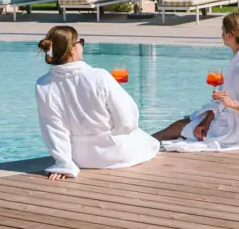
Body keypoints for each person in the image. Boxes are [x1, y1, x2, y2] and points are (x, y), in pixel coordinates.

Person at [35, 26, 159, 180]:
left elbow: (53, 128)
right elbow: (127, 121)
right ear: (72, 49)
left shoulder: (44, 84)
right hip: (116, 153)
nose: (82, 45)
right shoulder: (99, 76)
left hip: (80, 158)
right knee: (148, 142)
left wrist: (64, 163)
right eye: (81, 42)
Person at [153, 13, 239, 152]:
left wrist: (232, 104)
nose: (221, 35)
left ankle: (145, 144)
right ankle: (145, 142)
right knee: (179, 126)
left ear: (230, 35)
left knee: (178, 128)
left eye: (223, 31)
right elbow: (221, 102)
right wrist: (206, 121)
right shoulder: (238, 61)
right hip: (225, 121)